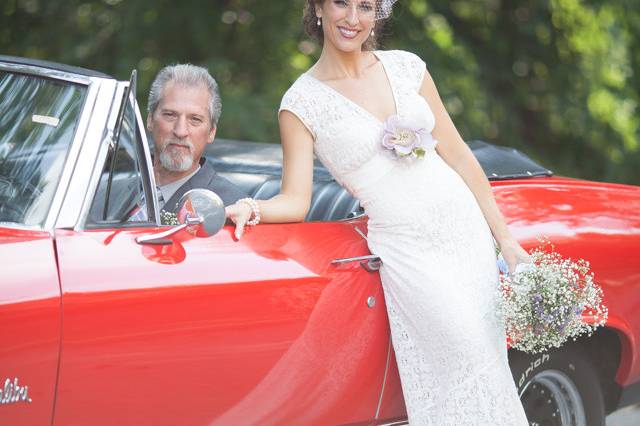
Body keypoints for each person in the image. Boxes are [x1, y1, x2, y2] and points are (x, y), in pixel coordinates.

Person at [226, 1, 530, 424]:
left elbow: (459, 154)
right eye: (341, 4)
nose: (352, 18)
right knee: (460, 354)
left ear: (378, 13)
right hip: (410, 251)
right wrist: (250, 206)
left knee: (487, 362)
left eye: (366, 6)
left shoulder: (408, 67)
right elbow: (295, 200)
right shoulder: (301, 103)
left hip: (466, 236)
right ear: (317, 8)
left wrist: (506, 241)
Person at [146, 64, 248, 213]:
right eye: (170, 115)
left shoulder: (231, 208)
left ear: (211, 132)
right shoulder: (109, 193)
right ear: (150, 120)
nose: (180, 131)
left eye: (195, 119)